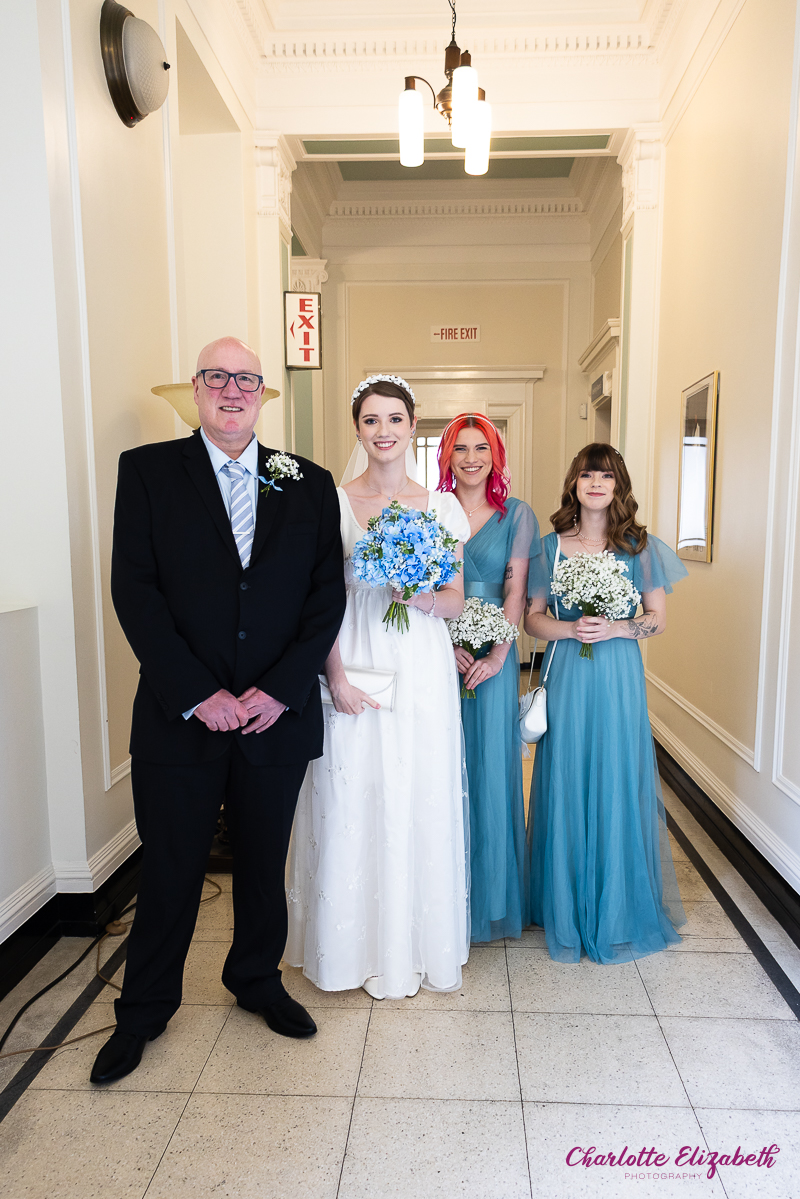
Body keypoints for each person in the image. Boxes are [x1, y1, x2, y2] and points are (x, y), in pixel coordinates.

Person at [90, 337, 346, 1084]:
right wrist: (200, 693)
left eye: (246, 379)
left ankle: (255, 980)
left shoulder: (308, 481)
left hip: (277, 716)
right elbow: (134, 590)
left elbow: (324, 596)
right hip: (180, 717)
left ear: (263, 394)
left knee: (265, 865)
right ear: (197, 389)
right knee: (170, 869)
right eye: (216, 377)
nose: (232, 390)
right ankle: (142, 1010)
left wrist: (280, 688)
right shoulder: (146, 472)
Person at [285, 374, 471, 1000]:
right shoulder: (332, 503)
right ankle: (347, 946)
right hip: (356, 655)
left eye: (395, 419)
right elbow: (319, 600)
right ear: (358, 429)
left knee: (416, 787)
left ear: (412, 427)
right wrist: (332, 675)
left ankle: (414, 942)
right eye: (371, 420)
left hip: (420, 663)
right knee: (352, 786)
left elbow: (456, 602)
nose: (384, 431)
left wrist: (416, 591)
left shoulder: (441, 508)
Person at [524, 442, 687, 964]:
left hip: (618, 675)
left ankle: (617, 905)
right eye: (587, 475)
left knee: (615, 774)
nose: (596, 484)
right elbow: (532, 619)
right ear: (574, 483)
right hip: (569, 670)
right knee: (568, 773)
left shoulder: (639, 547)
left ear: (619, 487)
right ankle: (564, 903)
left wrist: (617, 626)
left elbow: (657, 619)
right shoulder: (549, 549)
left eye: (607, 476)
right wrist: (571, 628)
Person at [437, 414, 540, 943]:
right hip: (438, 652)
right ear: (447, 456)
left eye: (482, 448)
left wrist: (500, 656)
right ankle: (442, 896)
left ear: (495, 455)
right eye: (461, 448)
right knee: (441, 768)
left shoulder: (517, 515)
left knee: (492, 771)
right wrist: (446, 643)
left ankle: (492, 897)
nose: (471, 457)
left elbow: (516, 590)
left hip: (495, 659)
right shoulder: (434, 511)